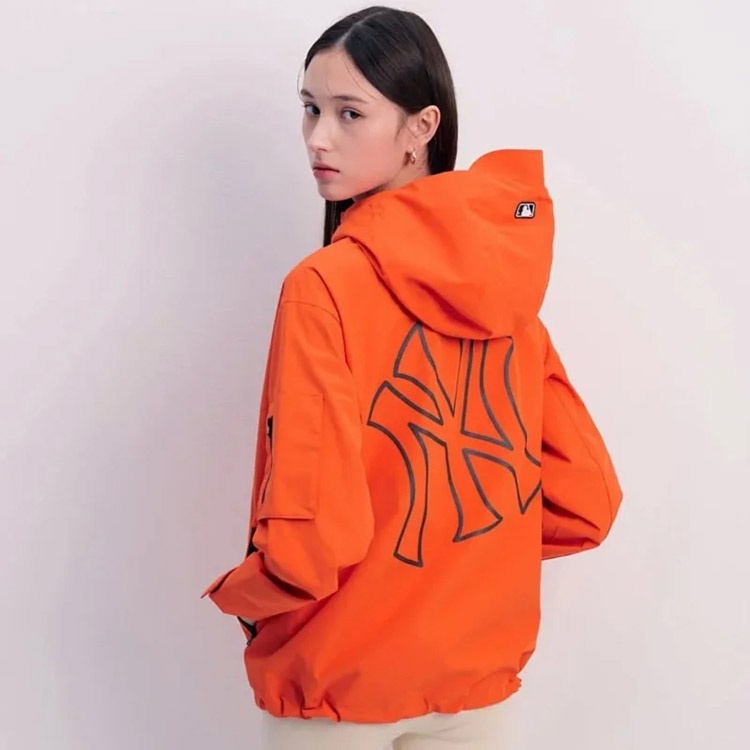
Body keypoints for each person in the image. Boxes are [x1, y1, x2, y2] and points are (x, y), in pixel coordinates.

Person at [202, 5, 623, 749]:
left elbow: (311, 534)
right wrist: (470, 568)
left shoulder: (324, 286)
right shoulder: (507, 289)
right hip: (473, 678)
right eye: (309, 109)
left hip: (339, 683)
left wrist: (242, 598)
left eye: (349, 113)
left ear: (422, 127)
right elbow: (584, 498)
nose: (318, 138)